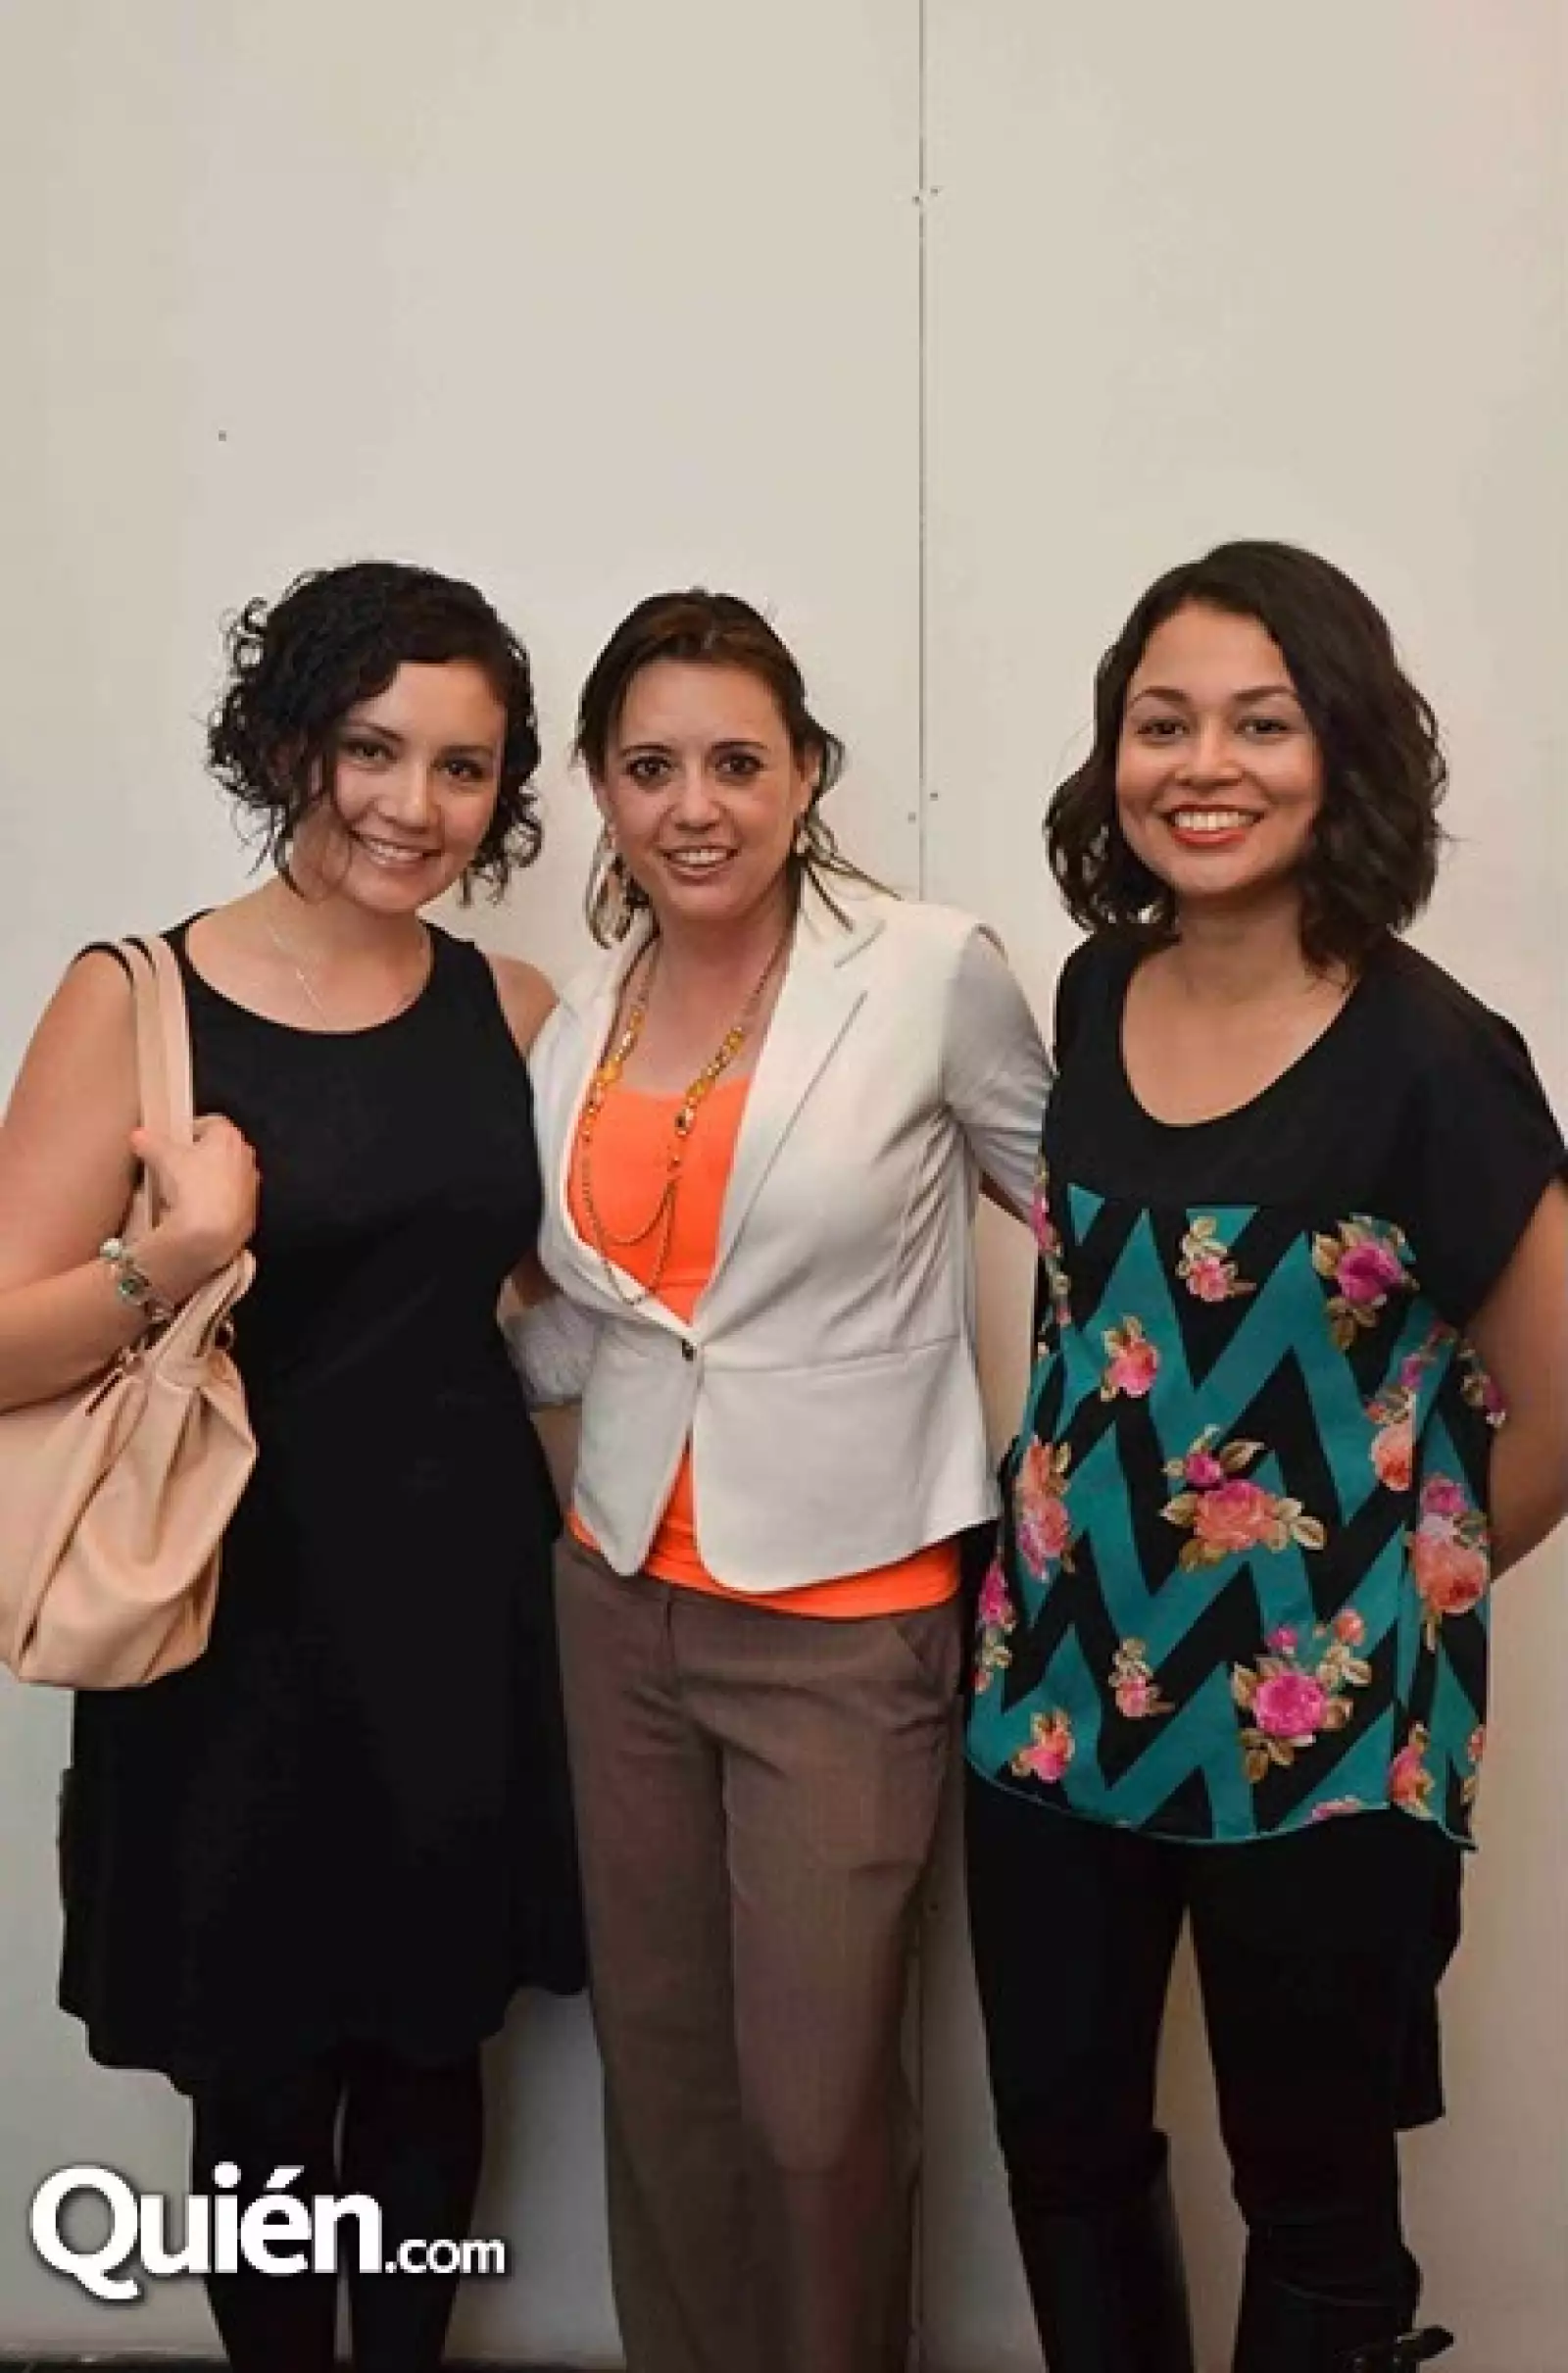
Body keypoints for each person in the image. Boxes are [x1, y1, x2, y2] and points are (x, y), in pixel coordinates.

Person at [963, 540, 1568, 2372]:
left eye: (1261, 721)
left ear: (1343, 755)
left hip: (1322, 1743)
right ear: (1112, 755)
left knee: (1310, 2191)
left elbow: (1555, 1402)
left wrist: (1378, 1618)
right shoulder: (1083, 995)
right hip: (1053, 1690)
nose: (1201, 764)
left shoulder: (1438, 1057)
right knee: (1062, 2151)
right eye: (1163, 723)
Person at [0, 560, 584, 2372]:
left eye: (466, 768)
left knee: (431, 2064)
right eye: (373, 749)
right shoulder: (139, 994)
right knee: (259, 2092)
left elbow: (552, 1314)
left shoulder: (514, 1007)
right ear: (289, 745)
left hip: (460, 1614)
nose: (417, 806)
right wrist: (172, 1260)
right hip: (227, 1626)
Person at [519, 588, 1050, 2373]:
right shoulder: (573, 1014)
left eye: (739, 762)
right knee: (661, 2092)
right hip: (617, 1601)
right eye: (651, 765)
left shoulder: (927, 971)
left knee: (817, 2116)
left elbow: (1109, 1235)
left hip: (851, 1614)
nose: (697, 806)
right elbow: (599, 1322)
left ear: (807, 771)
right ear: (598, 785)